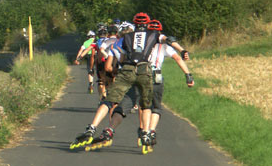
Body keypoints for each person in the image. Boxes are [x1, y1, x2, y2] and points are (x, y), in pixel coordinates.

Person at [70, 12, 190, 151]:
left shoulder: (126, 36)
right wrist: (182, 50)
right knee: (146, 105)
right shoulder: (154, 35)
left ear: (135, 24)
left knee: (109, 100)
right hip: (144, 70)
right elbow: (169, 39)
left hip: (127, 70)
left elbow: (119, 55)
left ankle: (92, 128)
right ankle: (145, 133)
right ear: (147, 23)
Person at [73, 29, 98, 93]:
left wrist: (77, 59)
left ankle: (91, 84)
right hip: (98, 56)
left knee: (90, 70)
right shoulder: (97, 41)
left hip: (89, 57)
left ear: (88, 36)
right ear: (94, 36)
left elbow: (81, 50)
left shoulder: (86, 42)